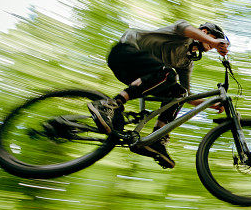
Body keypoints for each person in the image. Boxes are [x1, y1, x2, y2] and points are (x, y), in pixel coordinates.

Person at [88, 21, 230, 169]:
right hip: (125, 52)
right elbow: (184, 29)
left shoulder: (186, 62)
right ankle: (108, 105)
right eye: (214, 39)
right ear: (205, 32)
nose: (213, 46)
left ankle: (157, 139)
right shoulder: (184, 34)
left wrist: (211, 104)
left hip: (140, 74)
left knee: (179, 92)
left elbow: (188, 96)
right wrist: (214, 41)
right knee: (168, 74)